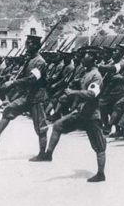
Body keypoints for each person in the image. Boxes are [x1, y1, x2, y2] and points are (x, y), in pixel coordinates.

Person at [33, 46, 107, 183]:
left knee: (99, 145)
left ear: (92, 57)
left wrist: (74, 93)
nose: (81, 58)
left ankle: (101, 174)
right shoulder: (87, 73)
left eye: (84, 55)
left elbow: (92, 94)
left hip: (91, 115)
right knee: (58, 125)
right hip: (80, 112)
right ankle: (48, 154)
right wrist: (77, 84)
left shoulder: (96, 75)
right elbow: (85, 87)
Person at [0, 35, 49, 162]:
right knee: (8, 109)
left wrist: (13, 83)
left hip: (36, 97)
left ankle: (43, 154)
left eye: (28, 43)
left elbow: (32, 79)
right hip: (27, 96)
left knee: (40, 127)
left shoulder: (40, 62)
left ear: (35, 45)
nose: (26, 45)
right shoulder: (29, 59)